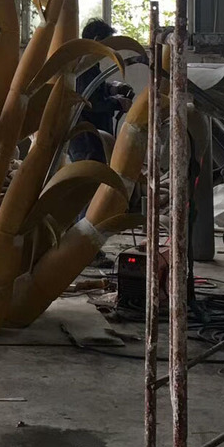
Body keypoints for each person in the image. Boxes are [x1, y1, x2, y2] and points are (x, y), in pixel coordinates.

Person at [68, 18, 135, 268]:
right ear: (96, 41)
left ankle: (80, 245)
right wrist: (118, 103)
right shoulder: (85, 64)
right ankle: (85, 251)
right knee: (90, 191)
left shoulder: (86, 62)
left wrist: (111, 87)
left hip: (87, 136)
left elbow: (94, 89)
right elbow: (90, 102)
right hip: (86, 137)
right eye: (106, 44)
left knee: (88, 189)